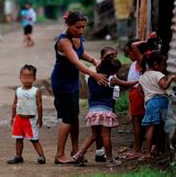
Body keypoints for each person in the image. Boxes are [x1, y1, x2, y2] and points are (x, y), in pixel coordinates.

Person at [51, 11, 108, 164]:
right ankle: (59, 155)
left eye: (83, 27)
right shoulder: (63, 41)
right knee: (68, 118)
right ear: (68, 25)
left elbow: (81, 53)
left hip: (72, 81)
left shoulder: (76, 36)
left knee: (74, 116)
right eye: (77, 27)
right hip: (62, 82)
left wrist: (93, 60)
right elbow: (75, 61)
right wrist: (94, 74)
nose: (81, 30)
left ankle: (75, 150)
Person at [72, 55, 124, 167]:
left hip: (93, 110)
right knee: (106, 136)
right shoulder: (110, 80)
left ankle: (79, 154)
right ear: (111, 71)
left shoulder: (91, 78)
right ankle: (110, 160)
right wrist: (136, 81)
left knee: (94, 135)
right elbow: (125, 84)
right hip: (105, 110)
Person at [93, 47, 138, 162]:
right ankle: (108, 158)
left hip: (95, 106)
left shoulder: (95, 75)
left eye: (115, 55)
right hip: (106, 106)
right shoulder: (110, 77)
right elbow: (126, 84)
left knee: (96, 132)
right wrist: (140, 80)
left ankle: (90, 153)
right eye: (109, 56)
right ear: (101, 58)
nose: (113, 58)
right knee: (105, 133)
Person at [122, 33, 161, 160]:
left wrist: (148, 41)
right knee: (147, 122)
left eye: (130, 53)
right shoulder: (142, 60)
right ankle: (147, 147)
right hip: (138, 93)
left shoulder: (143, 59)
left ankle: (138, 149)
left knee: (137, 122)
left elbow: (134, 45)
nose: (129, 56)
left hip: (138, 93)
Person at [139, 51, 176, 160]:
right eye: (164, 64)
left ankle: (150, 152)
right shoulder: (158, 74)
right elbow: (164, 86)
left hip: (150, 102)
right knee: (161, 126)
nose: (165, 66)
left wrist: (147, 98)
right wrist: (170, 78)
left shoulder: (142, 77)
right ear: (156, 64)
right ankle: (155, 149)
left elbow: (140, 91)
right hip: (161, 101)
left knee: (151, 127)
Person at [7, 64, 46, 165]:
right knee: (18, 138)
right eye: (24, 77)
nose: (27, 79)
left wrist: (40, 118)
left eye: (30, 77)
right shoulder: (18, 91)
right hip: (19, 119)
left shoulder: (35, 91)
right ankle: (18, 156)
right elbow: (14, 104)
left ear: (34, 78)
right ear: (20, 78)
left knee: (34, 139)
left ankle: (41, 156)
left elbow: (39, 105)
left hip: (30, 120)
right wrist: (12, 117)